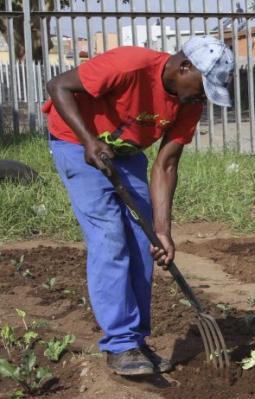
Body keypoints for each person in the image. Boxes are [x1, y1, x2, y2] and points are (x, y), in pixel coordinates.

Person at [43, 37, 234, 376]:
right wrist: (89, 140)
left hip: (127, 153)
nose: (202, 95)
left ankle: (137, 340)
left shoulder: (190, 103)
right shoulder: (128, 65)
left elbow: (166, 165)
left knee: (144, 245)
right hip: (76, 141)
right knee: (110, 238)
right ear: (184, 66)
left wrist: (162, 230)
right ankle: (120, 344)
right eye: (202, 86)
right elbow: (58, 86)